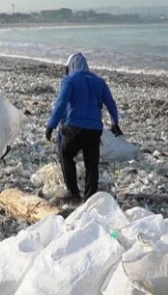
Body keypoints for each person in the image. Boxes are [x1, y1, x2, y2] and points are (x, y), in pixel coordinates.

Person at [45, 53, 123, 203]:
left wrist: (51, 125)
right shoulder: (99, 82)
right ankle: (90, 198)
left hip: (74, 128)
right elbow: (111, 103)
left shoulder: (70, 80)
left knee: (66, 155)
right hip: (94, 130)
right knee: (92, 164)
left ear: (71, 66)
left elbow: (61, 103)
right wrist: (115, 123)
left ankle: (73, 193)